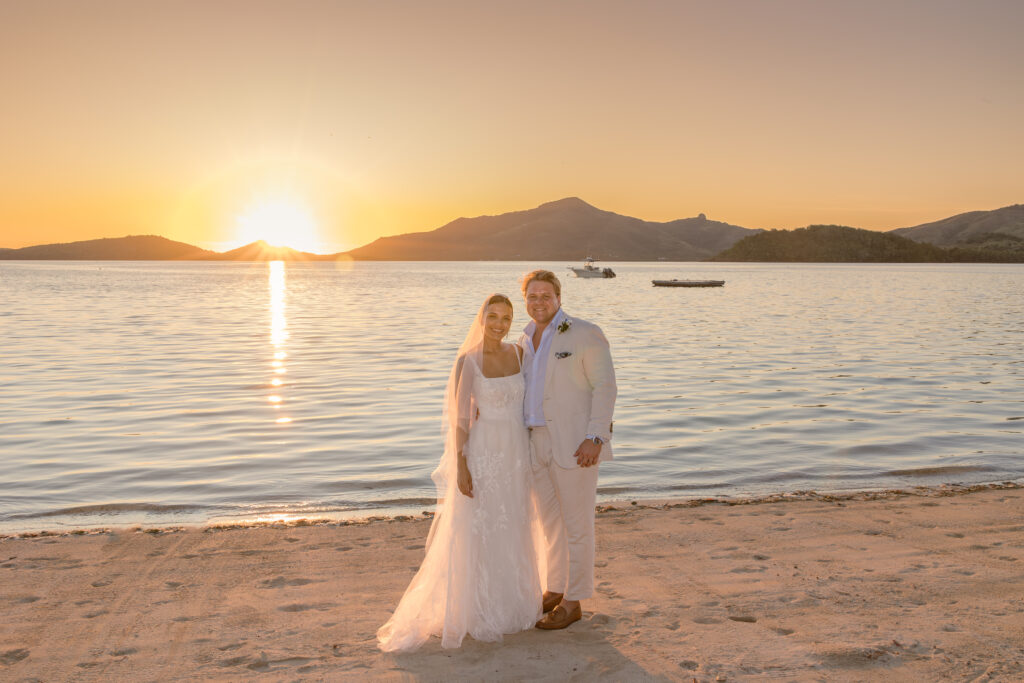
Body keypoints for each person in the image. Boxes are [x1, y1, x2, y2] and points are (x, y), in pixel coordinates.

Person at [377, 294, 541, 652]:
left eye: (506, 317)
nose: (500, 324)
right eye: (493, 316)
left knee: (514, 522)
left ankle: (514, 602)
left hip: (516, 454)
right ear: (481, 319)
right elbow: (460, 420)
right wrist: (462, 466)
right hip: (483, 454)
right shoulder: (467, 362)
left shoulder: (520, 354)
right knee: (479, 527)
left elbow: (533, 402)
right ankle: (476, 608)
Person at [519, 270, 617, 630]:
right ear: (525, 300)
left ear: (559, 298)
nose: (539, 302)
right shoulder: (525, 337)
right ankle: (555, 588)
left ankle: (574, 600)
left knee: (577, 526)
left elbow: (605, 387)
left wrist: (596, 438)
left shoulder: (584, 332)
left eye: (546, 295)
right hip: (536, 442)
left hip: (576, 444)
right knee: (550, 525)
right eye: (532, 296)